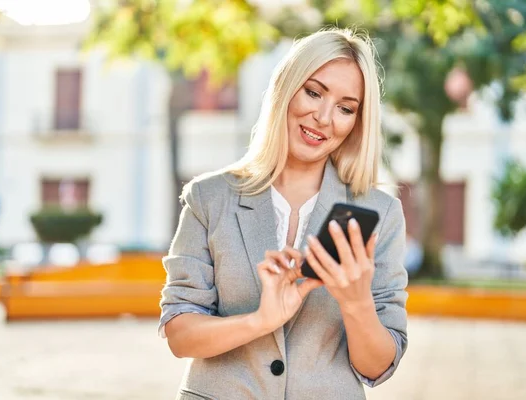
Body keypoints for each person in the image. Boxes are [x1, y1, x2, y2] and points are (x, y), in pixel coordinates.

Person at [159, 27, 408, 400]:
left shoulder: (379, 213)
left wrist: (356, 302)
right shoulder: (208, 198)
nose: (324, 118)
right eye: (313, 92)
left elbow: (377, 367)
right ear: (285, 88)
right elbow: (180, 334)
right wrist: (260, 320)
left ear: (357, 121)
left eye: (345, 108)